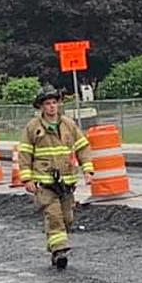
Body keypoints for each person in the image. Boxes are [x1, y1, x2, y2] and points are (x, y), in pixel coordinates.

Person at [18, 85, 94, 270]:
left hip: (67, 181)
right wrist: (27, 179)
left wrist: (88, 170)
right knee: (54, 217)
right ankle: (59, 252)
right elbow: (25, 153)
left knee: (67, 218)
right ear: (41, 107)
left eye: (54, 103)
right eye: (47, 104)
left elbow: (82, 146)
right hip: (45, 182)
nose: (52, 107)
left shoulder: (68, 124)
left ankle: (55, 247)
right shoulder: (33, 128)